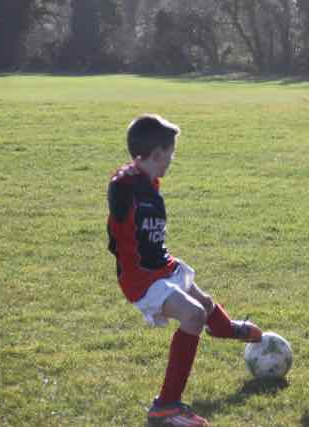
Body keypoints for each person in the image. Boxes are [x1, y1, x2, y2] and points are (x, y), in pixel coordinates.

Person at [107, 114, 262, 427]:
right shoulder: (124, 186)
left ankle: (225, 328)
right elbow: (118, 198)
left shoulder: (151, 182)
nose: (173, 158)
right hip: (141, 279)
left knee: (205, 303)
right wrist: (125, 176)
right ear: (156, 154)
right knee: (193, 315)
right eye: (171, 153)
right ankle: (166, 406)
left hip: (162, 265)